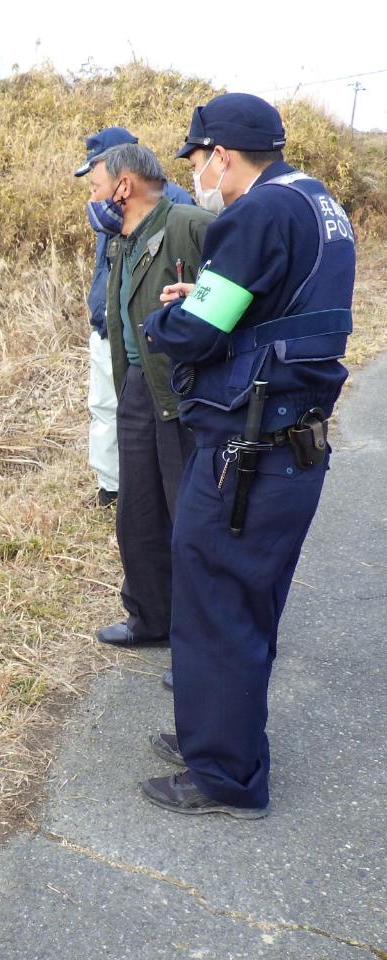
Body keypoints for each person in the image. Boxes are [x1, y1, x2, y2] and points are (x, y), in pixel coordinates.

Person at [141, 93, 355, 818]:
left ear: (221, 156)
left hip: (251, 452)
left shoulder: (256, 212)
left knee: (215, 605)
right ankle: (215, 735)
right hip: (291, 442)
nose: (198, 174)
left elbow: (199, 331)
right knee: (247, 602)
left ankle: (224, 776)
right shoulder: (314, 199)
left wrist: (165, 317)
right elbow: (261, 305)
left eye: (197, 159)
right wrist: (202, 299)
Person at [89, 144, 213, 650]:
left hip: (182, 392)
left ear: (125, 185)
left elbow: (237, 299)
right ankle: (150, 618)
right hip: (138, 388)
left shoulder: (190, 224)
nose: (93, 196)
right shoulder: (125, 238)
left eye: (97, 184)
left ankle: (199, 641)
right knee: (137, 513)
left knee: (188, 518)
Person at [77, 128, 193, 507]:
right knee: (109, 411)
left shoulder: (175, 212)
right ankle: (115, 487)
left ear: (122, 178)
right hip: (113, 332)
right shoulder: (114, 213)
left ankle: (134, 492)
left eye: (96, 182)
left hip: (153, 346)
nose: (92, 195)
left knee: (155, 433)